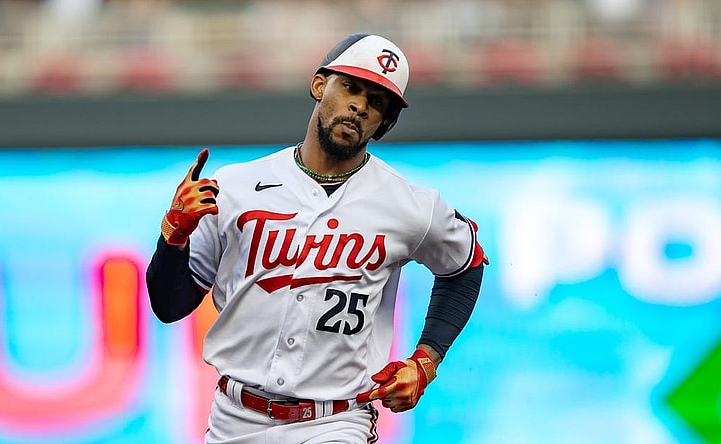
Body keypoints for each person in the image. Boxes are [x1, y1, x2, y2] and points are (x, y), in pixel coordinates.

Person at [146, 33, 488, 444]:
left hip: (336, 421)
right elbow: (169, 305)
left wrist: (426, 359)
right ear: (319, 85)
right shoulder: (235, 186)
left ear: (386, 123)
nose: (360, 105)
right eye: (351, 87)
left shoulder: (410, 205)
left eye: (377, 102)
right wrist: (173, 236)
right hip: (234, 419)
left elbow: (465, 262)